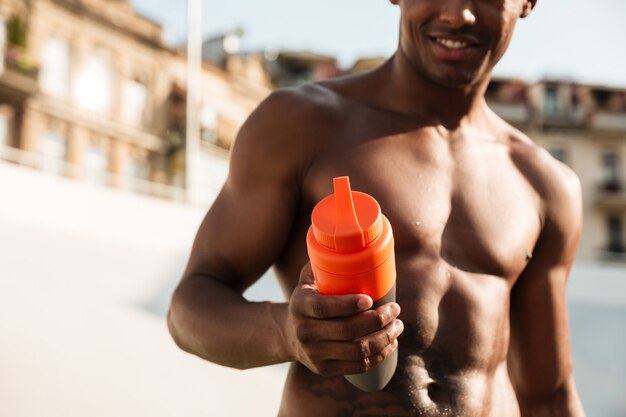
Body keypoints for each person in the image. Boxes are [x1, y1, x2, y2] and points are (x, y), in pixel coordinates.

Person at [167, 0, 587, 415]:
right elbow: (189, 307)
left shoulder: (545, 184)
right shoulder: (300, 125)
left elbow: (548, 397)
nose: (460, 14)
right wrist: (285, 334)